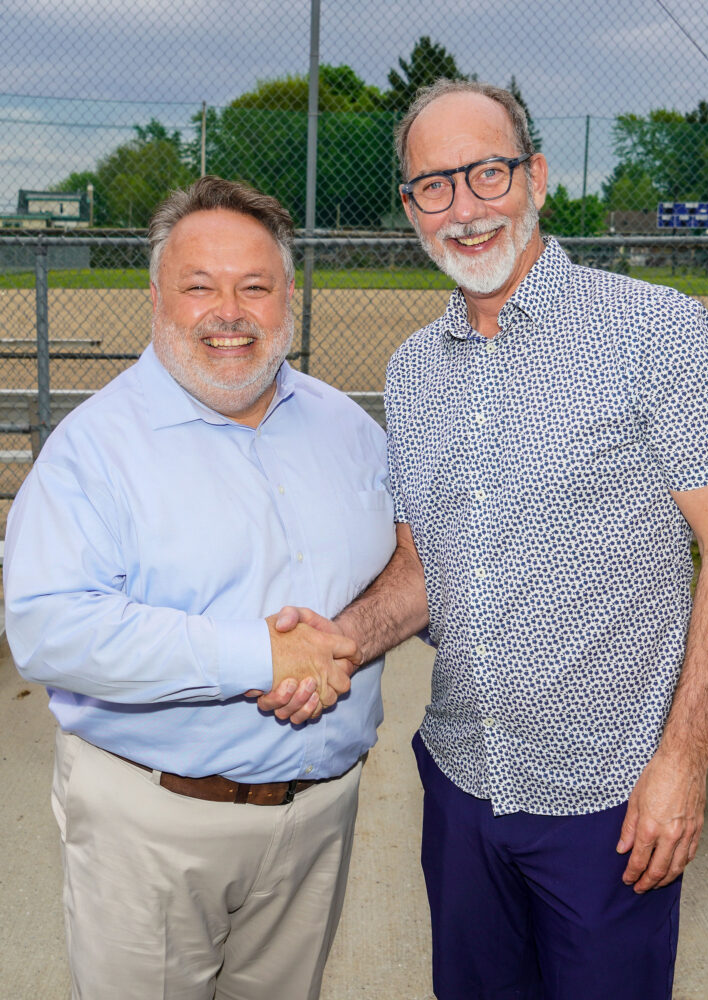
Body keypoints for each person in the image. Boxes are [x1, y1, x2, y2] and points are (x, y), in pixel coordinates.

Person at [264, 80, 708, 999]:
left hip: (612, 800)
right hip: (462, 783)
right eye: (433, 186)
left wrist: (685, 763)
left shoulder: (657, 333)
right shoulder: (413, 369)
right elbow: (426, 571)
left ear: (534, 176)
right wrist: (337, 641)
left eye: (486, 173)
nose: (463, 209)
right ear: (411, 207)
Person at [3, 175, 396, 1000]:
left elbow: (408, 557)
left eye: (255, 286)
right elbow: (48, 629)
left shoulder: (349, 430)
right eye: (199, 286)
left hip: (320, 816)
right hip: (154, 827)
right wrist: (264, 654)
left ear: (290, 295)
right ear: (156, 298)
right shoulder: (94, 450)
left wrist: (346, 640)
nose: (230, 311)